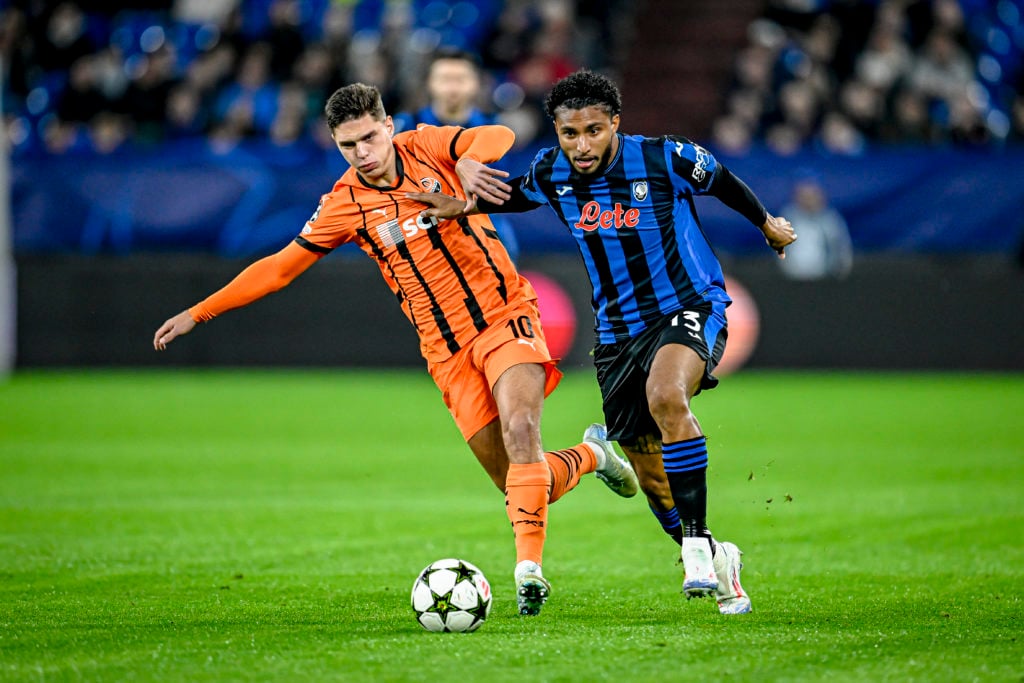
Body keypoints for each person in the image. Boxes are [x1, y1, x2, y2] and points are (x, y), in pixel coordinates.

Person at [152, 82, 638, 617]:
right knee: (520, 481)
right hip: (445, 352)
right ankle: (593, 454)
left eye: (368, 138)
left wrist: (472, 163)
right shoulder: (344, 204)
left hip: (504, 314)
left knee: (521, 428)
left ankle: (529, 573)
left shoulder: (426, 145)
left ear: (388, 126)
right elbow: (280, 268)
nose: (362, 153)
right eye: (348, 145)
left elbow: (497, 133)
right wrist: (198, 311)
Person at [408, 70, 797, 615]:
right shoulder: (553, 172)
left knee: (667, 396)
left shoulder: (665, 158)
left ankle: (696, 545)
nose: (582, 145)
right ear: (558, 133)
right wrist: (463, 206)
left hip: (688, 305)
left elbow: (723, 180)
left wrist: (767, 224)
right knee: (648, 473)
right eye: (570, 134)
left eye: (593, 130)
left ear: (615, 123)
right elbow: (518, 196)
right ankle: (716, 555)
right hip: (617, 334)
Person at [393, 48, 520, 262]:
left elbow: (495, 186)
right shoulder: (405, 126)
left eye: (461, 79)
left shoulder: (495, 129)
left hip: (483, 228)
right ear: (430, 83)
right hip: (422, 232)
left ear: (476, 83)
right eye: (444, 79)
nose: (453, 87)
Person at [778, 169, 853, 280]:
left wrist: (838, 273)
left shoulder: (830, 220)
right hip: (792, 281)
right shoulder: (787, 218)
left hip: (824, 281)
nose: (808, 200)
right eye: (804, 195)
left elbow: (841, 250)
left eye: (812, 195)